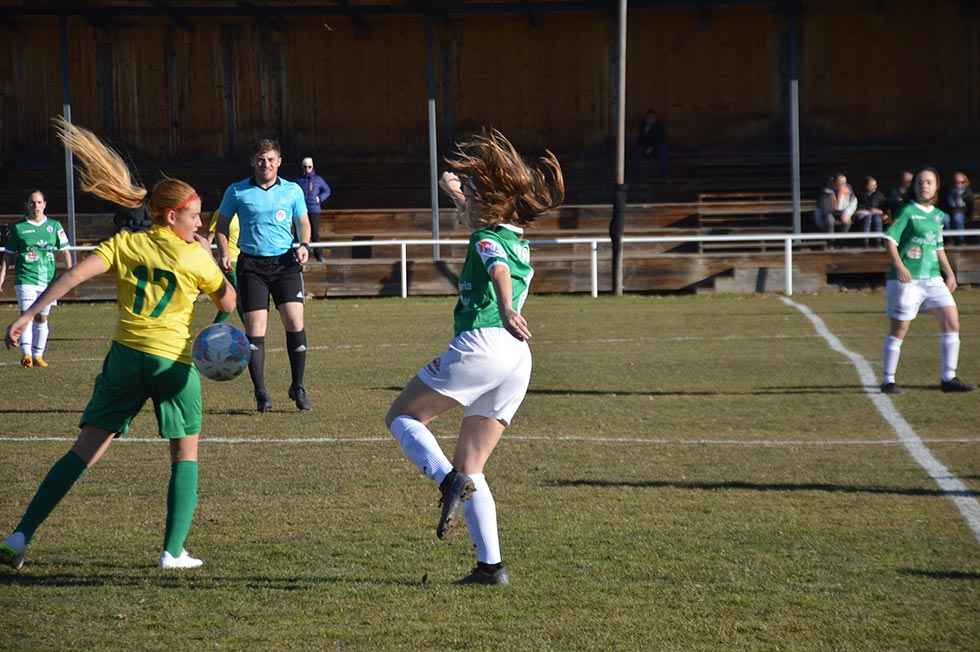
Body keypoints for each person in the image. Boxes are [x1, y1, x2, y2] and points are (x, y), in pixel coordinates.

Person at [0, 116, 236, 571]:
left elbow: (72, 275)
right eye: (194, 215)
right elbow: (228, 299)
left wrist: (29, 314)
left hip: (125, 360)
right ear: (172, 216)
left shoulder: (127, 244)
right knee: (185, 452)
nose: (199, 222)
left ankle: (20, 534)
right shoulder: (196, 257)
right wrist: (215, 325)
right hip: (173, 365)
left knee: (84, 450)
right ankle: (173, 551)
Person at [384, 130, 564, 586]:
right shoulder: (514, 234)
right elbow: (481, 223)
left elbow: (495, 267)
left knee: (402, 417)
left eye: (476, 196)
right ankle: (490, 567)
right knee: (474, 466)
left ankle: (447, 482)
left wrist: (504, 307)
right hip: (516, 359)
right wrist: (459, 190)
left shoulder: (487, 238)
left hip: (484, 342)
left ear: (489, 207)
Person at [216, 139, 312, 412]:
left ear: (279, 161)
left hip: (285, 263)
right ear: (253, 162)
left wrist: (304, 245)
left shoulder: (292, 190)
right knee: (256, 330)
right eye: (260, 160)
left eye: (270, 159)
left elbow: (303, 222)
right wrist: (223, 251)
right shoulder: (237, 191)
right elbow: (222, 225)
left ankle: (298, 387)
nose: (266, 164)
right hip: (252, 267)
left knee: (295, 322)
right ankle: (261, 393)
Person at [879, 167, 974, 395]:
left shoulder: (939, 216)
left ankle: (948, 378)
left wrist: (949, 273)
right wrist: (900, 266)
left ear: (936, 187)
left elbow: (938, 246)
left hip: (932, 278)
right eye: (920, 182)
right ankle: (888, 380)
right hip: (907, 280)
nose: (924, 185)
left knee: (952, 320)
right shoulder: (907, 211)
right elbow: (889, 239)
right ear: (915, 186)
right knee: (899, 328)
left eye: (929, 182)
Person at [0, 190, 73, 368]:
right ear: (27, 205)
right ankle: (26, 355)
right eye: (33, 203)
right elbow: (8, 256)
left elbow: (65, 251)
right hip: (25, 278)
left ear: (45, 204)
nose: (36, 206)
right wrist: (1, 278)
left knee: (42, 318)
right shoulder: (18, 228)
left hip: (48, 280)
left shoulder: (54, 226)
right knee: (27, 315)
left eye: (39, 202)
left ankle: (38, 355)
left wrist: (71, 274)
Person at [206, 209, 242, 323]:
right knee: (240, 298)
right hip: (230, 261)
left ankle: (213, 328)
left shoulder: (246, 210)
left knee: (233, 298)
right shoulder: (222, 212)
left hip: (243, 260)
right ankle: (252, 333)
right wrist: (209, 258)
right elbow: (210, 237)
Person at [297, 157, 331, 262]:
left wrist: (319, 198)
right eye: (305, 167)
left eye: (309, 167)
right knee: (299, 233)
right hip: (301, 210)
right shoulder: (299, 180)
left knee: (315, 233)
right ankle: (297, 254)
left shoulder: (318, 179)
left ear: (313, 167)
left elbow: (327, 190)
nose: (307, 169)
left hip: (314, 209)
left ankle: (318, 255)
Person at [854, 176, 887, 247]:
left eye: (875, 185)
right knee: (868, 218)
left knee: (877, 219)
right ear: (866, 185)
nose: (874, 187)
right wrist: (868, 210)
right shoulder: (860, 195)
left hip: (877, 215)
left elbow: (885, 208)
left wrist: (879, 211)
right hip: (863, 215)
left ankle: (878, 242)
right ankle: (865, 242)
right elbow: (857, 208)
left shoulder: (879, 195)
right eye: (871, 185)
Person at [943, 171, 974, 245]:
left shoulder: (968, 192)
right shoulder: (948, 190)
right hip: (949, 211)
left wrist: (969, 216)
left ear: (965, 182)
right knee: (945, 218)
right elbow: (944, 203)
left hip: (961, 212)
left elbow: (970, 206)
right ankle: (949, 240)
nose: (959, 184)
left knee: (957, 217)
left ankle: (960, 240)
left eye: (962, 182)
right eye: (957, 182)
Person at [637, 110, 667, 176]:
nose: (651, 119)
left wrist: (652, 147)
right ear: (646, 118)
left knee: (663, 149)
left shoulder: (659, 126)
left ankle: (664, 174)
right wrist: (645, 131)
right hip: (645, 148)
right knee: (637, 151)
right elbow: (640, 140)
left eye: (652, 117)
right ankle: (636, 174)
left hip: (655, 149)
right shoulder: (643, 126)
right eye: (649, 117)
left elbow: (660, 139)